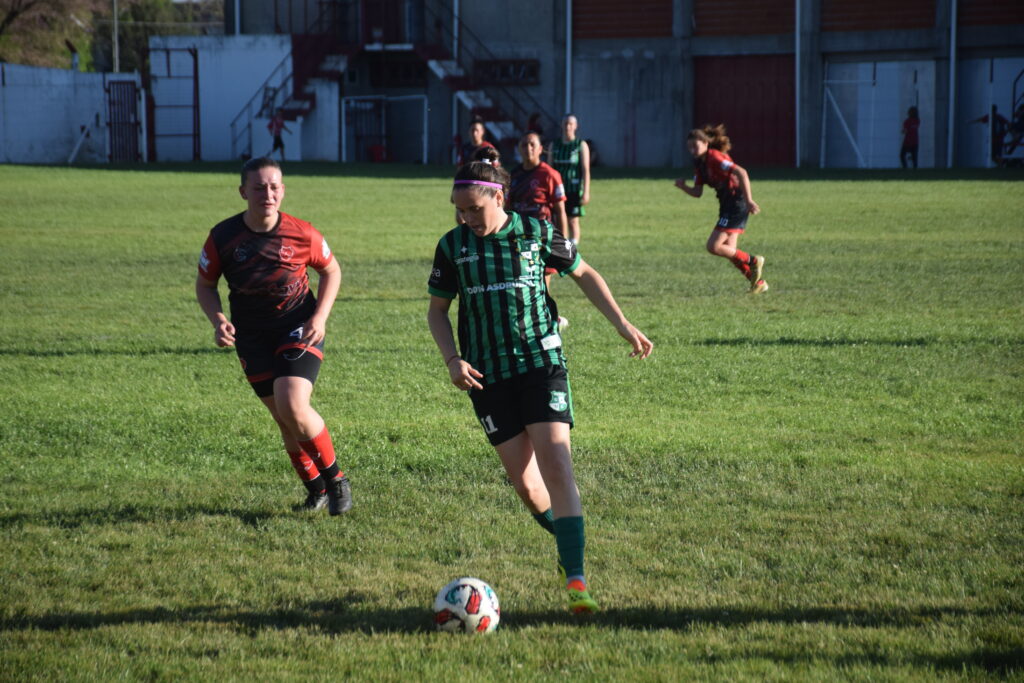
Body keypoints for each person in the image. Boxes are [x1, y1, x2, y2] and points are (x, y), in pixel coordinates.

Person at [427, 161, 653, 614]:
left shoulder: (537, 232)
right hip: (487, 376)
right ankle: (568, 535)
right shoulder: (452, 246)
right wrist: (452, 360)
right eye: (459, 210)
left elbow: (584, 273)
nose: (465, 218)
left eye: (473, 209)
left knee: (557, 462)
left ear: (498, 197)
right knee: (527, 488)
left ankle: (576, 578)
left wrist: (622, 324)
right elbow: (437, 312)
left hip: (540, 362)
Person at [196, 157, 351, 515]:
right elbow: (205, 285)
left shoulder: (302, 233)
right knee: (283, 418)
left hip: (298, 325)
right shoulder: (223, 237)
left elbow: (332, 271)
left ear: (283, 190)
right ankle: (316, 490)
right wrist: (218, 320)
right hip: (251, 336)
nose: (268, 193)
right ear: (243, 192)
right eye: (259, 186)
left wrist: (321, 317)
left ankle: (336, 479)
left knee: (292, 403)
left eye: (274, 186)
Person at [675, 124, 767, 294]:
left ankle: (754, 261)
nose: (692, 150)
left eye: (695, 145)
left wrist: (749, 200)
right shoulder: (700, 164)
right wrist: (683, 187)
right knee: (730, 250)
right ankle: (758, 283)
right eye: (689, 147)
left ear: (705, 143)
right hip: (727, 204)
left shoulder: (715, 158)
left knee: (714, 246)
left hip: (737, 203)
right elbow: (697, 192)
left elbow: (741, 172)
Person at [509, 131, 570, 326]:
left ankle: (549, 322)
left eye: (532, 145)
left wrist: (564, 241)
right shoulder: (514, 175)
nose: (528, 149)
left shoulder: (550, 175)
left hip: (542, 239)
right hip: (519, 237)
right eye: (524, 145)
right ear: (519, 148)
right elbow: (508, 209)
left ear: (541, 149)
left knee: (540, 284)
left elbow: (561, 210)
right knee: (521, 283)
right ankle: (537, 321)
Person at [548, 114, 591, 245]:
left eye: (571, 124)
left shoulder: (580, 145)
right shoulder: (554, 145)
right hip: (558, 189)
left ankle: (573, 249)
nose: (568, 126)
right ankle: (561, 246)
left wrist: (586, 191)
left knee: (572, 221)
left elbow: (585, 170)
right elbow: (549, 169)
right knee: (558, 219)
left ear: (576, 126)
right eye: (565, 123)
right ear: (562, 125)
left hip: (574, 188)